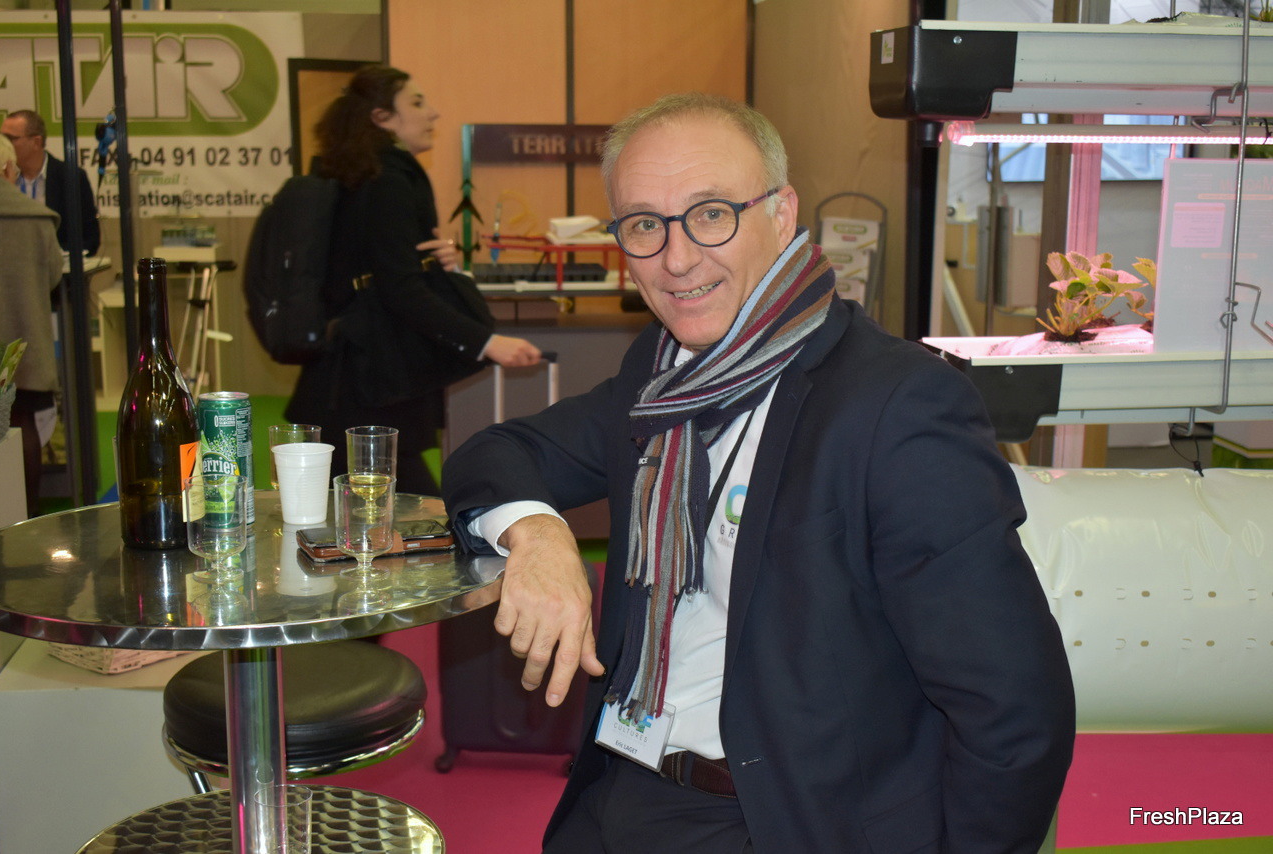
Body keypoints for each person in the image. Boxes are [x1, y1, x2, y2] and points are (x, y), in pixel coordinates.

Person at [442, 93, 1076, 853]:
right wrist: (539, 535)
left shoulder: (896, 405)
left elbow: (1013, 706)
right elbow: (498, 452)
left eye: (712, 214)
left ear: (782, 213)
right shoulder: (662, 374)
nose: (677, 259)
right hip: (619, 791)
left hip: (778, 822)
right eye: (644, 224)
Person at [284, 64, 541, 494]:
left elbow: (384, 269)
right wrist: (486, 342)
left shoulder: (362, 175)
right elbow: (399, 288)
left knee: (373, 508)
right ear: (382, 117)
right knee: (408, 509)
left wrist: (436, 265)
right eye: (417, 103)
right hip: (368, 381)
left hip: (355, 376)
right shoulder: (388, 178)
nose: (432, 113)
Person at [0, 132, 64, 516]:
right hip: (21, 345)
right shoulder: (37, 217)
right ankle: (26, 517)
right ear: (7, 168)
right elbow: (53, 276)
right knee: (22, 426)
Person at [0, 109, 101, 256]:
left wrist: (52, 255)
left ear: (36, 142)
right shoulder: (0, 180)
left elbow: (90, 240)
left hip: (57, 267)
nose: (3, 146)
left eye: (9, 139)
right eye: (1, 139)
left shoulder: (71, 177)